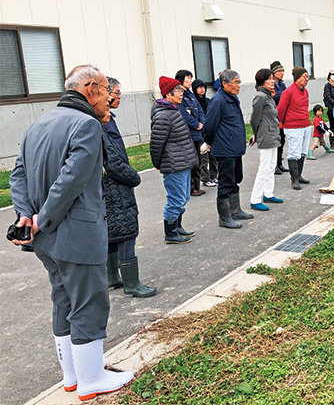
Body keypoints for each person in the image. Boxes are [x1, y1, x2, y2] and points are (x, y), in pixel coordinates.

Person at [9, 65, 134, 401]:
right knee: (89, 304)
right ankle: (91, 379)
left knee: (63, 301)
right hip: (75, 233)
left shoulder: (39, 122)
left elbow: (17, 176)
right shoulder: (85, 125)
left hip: (45, 240)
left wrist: (27, 217)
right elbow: (72, 180)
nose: (110, 97)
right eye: (107, 89)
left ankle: (73, 377)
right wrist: (43, 218)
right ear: (90, 87)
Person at [101, 77, 156, 298]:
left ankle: (112, 277)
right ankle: (131, 284)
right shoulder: (98, 122)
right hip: (114, 188)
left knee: (114, 232)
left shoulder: (107, 118)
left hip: (113, 187)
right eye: (115, 92)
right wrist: (133, 177)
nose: (118, 97)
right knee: (124, 232)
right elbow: (112, 162)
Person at [150, 76, 199, 244]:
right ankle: (170, 233)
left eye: (181, 90)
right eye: (177, 91)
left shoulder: (174, 110)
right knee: (176, 198)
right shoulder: (164, 115)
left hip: (182, 162)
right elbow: (156, 143)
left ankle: (177, 226)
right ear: (167, 94)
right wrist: (157, 163)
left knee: (183, 196)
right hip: (173, 163)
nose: (181, 93)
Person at [204, 69, 254, 228]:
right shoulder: (218, 100)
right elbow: (209, 126)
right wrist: (210, 142)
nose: (239, 85)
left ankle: (235, 210)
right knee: (225, 182)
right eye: (236, 82)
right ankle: (224, 217)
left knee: (235, 179)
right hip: (225, 148)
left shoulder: (232, 98)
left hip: (235, 148)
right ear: (224, 84)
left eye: (240, 82)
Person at [249, 69, 284, 211]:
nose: (272, 81)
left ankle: (268, 193)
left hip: (273, 134)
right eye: (269, 79)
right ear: (262, 81)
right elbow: (254, 119)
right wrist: (256, 135)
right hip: (266, 135)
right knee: (264, 168)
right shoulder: (260, 97)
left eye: (272, 78)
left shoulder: (268, 96)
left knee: (271, 166)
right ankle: (255, 199)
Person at [277, 67, 313, 190]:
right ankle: (294, 179)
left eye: (308, 76)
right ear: (297, 78)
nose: (306, 79)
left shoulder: (306, 91)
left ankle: (299, 175)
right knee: (294, 152)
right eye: (304, 76)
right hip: (293, 126)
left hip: (305, 124)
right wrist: (280, 121)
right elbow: (281, 109)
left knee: (303, 151)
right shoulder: (288, 92)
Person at [175, 70, 206, 196]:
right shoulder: (180, 95)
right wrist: (196, 124)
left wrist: (202, 122)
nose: (190, 80)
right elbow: (183, 114)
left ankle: (197, 186)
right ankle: (191, 188)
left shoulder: (191, 95)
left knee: (198, 161)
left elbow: (200, 111)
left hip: (197, 134)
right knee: (191, 162)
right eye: (188, 78)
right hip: (189, 134)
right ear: (181, 79)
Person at [193, 79, 218, 188]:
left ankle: (214, 176)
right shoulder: (194, 102)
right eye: (199, 87)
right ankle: (205, 178)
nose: (202, 89)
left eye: (203, 87)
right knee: (203, 157)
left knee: (213, 156)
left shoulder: (209, 101)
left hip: (209, 131)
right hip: (200, 133)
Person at [270, 61, 289, 175]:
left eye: (283, 71)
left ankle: (279, 164)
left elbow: (284, 95)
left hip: (282, 115)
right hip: (273, 115)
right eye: (279, 71)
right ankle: (274, 165)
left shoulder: (281, 84)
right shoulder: (271, 83)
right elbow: (276, 95)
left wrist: (280, 94)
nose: (282, 73)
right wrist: (282, 94)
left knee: (282, 140)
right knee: (275, 141)